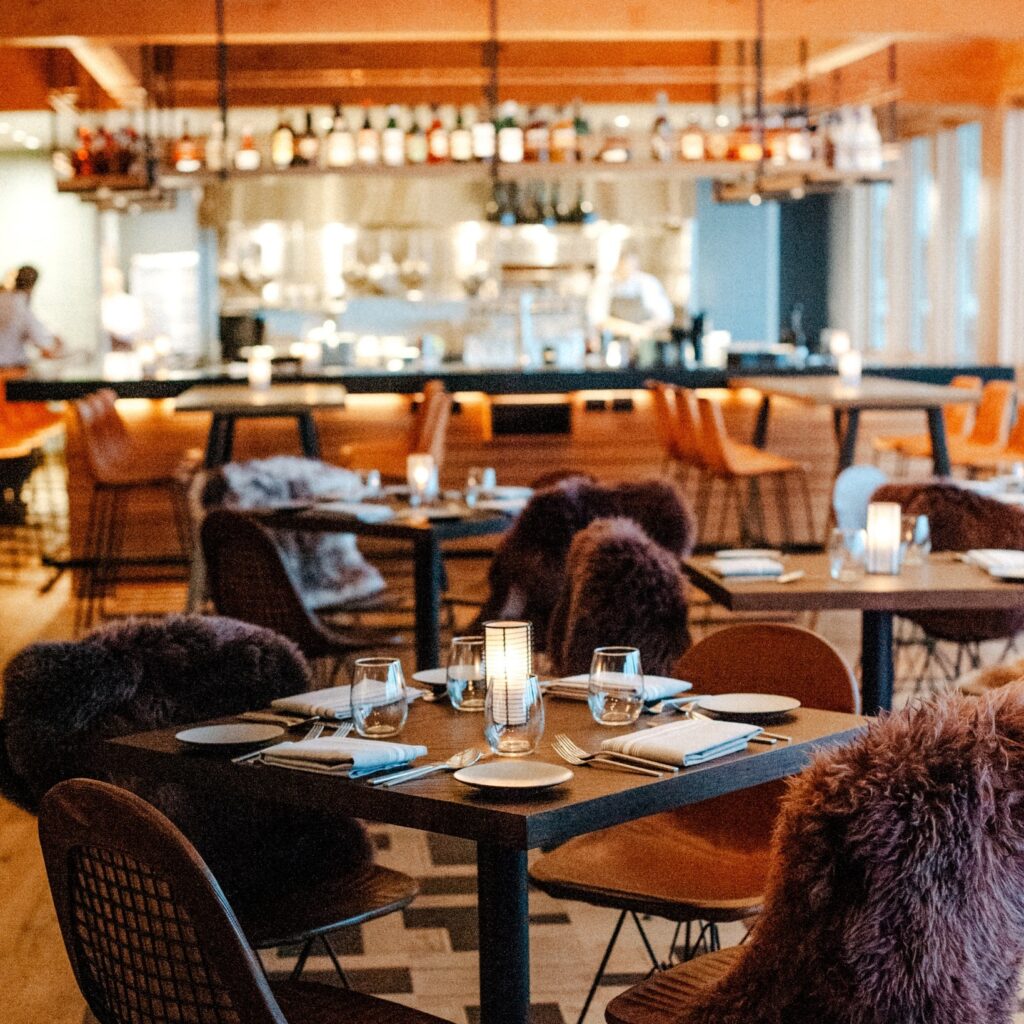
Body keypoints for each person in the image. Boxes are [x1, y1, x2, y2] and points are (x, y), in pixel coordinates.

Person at [603, 246, 675, 344]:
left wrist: (645, 328)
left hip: (646, 344)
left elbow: (666, 316)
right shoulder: (605, 284)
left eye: (631, 264)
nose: (627, 268)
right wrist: (631, 329)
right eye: (624, 264)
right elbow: (598, 318)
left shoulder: (649, 283)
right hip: (614, 343)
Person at [0, 265, 62, 368]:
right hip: (8, 371)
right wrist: (57, 344)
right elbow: (46, 350)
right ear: (33, 285)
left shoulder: (3, 297)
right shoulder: (22, 307)